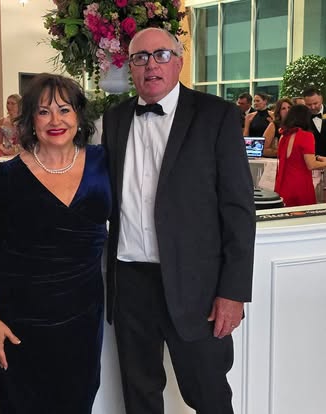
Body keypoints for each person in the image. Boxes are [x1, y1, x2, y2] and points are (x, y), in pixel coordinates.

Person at [102, 28, 256, 414]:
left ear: (179, 62)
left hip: (197, 285)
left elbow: (238, 209)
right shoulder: (115, 119)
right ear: (130, 67)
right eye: (140, 57)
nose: (151, 65)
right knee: (139, 394)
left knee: (208, 393)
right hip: (129, 282)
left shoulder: (216, 115)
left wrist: (233, 292)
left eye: (161, 55)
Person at [0, 73, 111, 413]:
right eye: (44, 112)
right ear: (31, 120)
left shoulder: (103, 162)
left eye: (64, 109)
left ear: (79, 115)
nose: (55, 121)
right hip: (20, 323)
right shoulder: (8, 176)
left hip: (82, 320)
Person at [275, 104, 326, 207]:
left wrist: (317, 158)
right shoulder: (306, 135)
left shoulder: (283, 135)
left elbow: (293, 157)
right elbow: (311, 165)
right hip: (300, 184)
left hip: (283, 184)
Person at [303, 87, 326, 156]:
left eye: (315, 103)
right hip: (311, 159)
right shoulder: (302, 118)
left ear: (321, 99)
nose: (313, 107)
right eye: (309, 105)